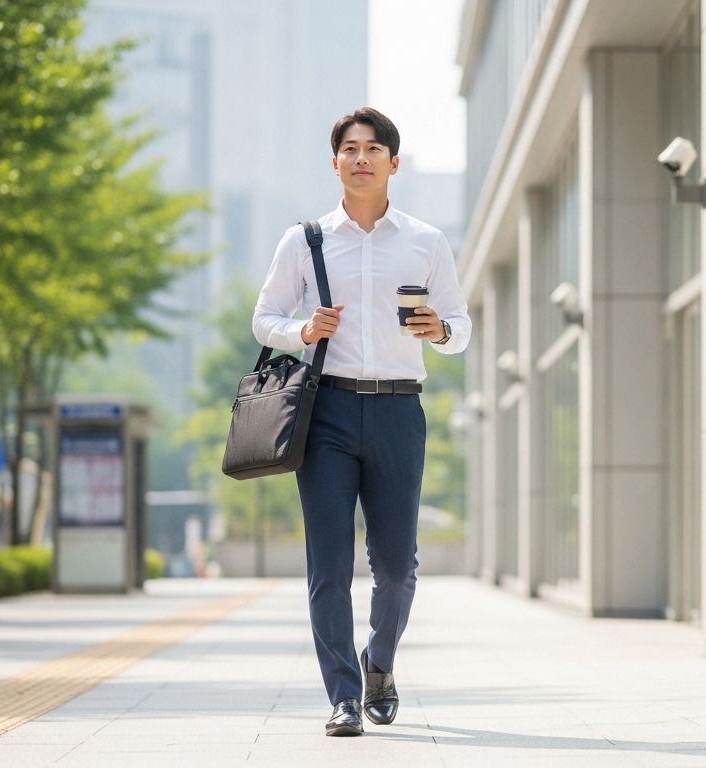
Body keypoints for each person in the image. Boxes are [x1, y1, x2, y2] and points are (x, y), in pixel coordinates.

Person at [252, 107, 470, 737]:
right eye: (350, 148)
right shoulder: (305, 241)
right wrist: (302, 330)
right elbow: (265, 317)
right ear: (336, 162)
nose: (362, 158)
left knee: (397, 566)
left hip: (401, 409)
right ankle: (344, 696)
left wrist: (443, 330)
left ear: (393, 163)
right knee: (328, 565)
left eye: (375, 149)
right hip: (328, 413)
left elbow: (461, 324)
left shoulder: (426, 241)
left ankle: (380, 661)